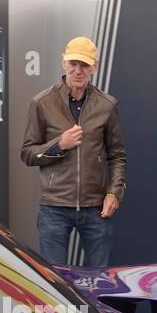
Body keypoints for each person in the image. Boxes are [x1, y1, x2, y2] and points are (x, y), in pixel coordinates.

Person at [21, 37, 126, 267]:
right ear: (64, 63)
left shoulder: (107, 105)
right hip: (54, 207)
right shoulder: (42, 102)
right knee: (55, 281)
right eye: (73, 63)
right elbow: (27, 153)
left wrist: (114, 193)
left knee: (98, 280)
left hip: (95, 209)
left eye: (85, 65)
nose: (78, 71)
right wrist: (59, 144)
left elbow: (117, 155)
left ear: (94, 67)